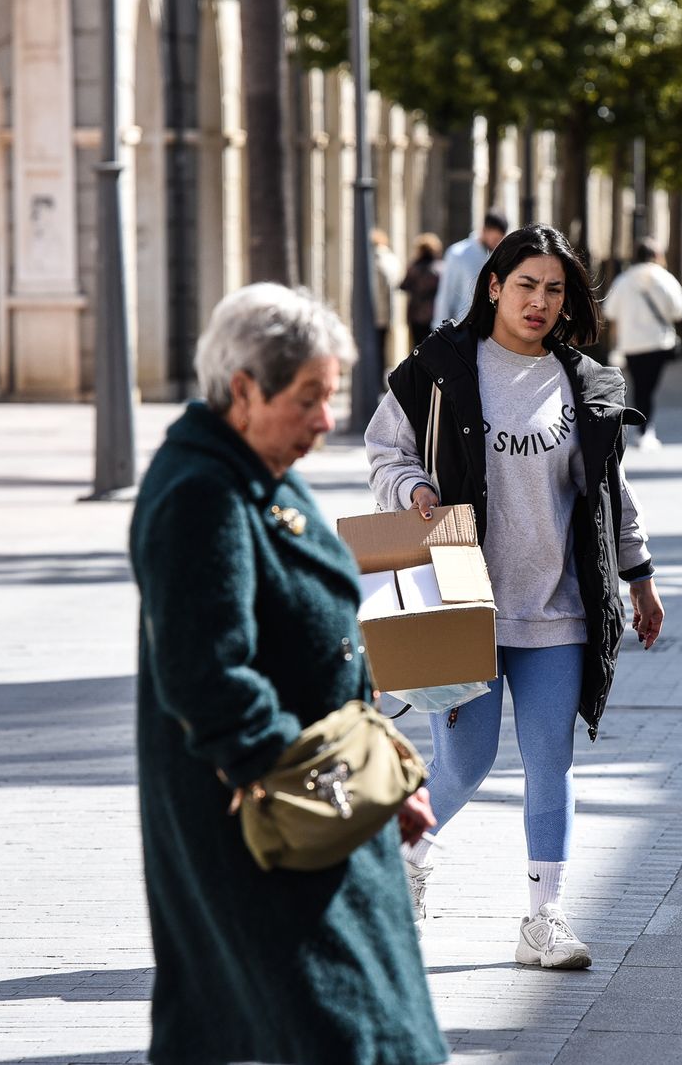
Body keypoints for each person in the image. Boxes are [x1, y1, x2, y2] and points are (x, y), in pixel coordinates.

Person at [129, 283, 448, 1065]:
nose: (325, 420)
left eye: (330, 397)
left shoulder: (255, 464)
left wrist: (384, 774)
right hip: (272, 825)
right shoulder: (201, 492)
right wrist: (317, 776)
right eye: (309, 398)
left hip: (317, 804)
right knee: (348, 1031)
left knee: (358, 1027)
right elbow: (205, 673)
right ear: (244, 388)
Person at [365, 223, 665, 970]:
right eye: (525, 285)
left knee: (549, 761)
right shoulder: (438, 369)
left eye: (554, 289)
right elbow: (383, 452)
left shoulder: (587, 382)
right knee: (465, 764)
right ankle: (403, 855)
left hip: (558, 605)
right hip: (460, 602)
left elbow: (608, 491)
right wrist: (415, 488)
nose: (539, 301)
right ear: (494, 287)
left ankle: (544, 917)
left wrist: (641, 576)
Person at [603, 237, 682, 450]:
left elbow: (609, 310)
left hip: (631, 344)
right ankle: (645, 429)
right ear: (657, 256)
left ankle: (644, 428)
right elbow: (680, 309)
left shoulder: (623, 280)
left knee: (640, 386)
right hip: (657, 343)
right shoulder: (664, 278)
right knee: (648, 388)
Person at [430, 210, 509, 326]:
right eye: (495, 238)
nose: (497, 243)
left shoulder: (500, 256)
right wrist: (439, 329)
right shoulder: (458, 253)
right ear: (484, 230)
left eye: (500, 239)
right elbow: (446, 294)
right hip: (462, 326)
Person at [400, 233, 445, 347]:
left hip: (415, 313)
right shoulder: (440, 269)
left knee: (417, 345)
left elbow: (403, 286)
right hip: (433, 313)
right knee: (433, 346)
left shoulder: (413, 268)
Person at [370, 227, 404, 369]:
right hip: (389, 311)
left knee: (375, 347)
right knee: (381, 346)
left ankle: (375, 377)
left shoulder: (375, 260)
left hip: (376, 311)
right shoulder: (392, 259)